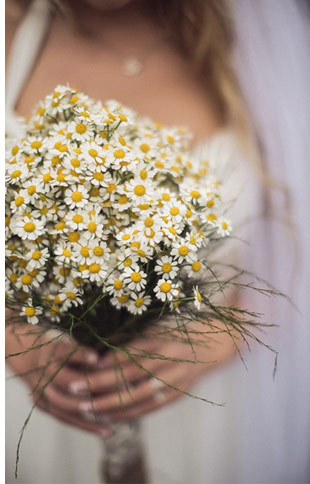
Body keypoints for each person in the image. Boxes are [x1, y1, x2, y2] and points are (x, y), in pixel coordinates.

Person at [5, 1, 310, 483]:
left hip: (212, 414)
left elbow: (297, 241)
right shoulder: (11, 31)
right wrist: (13, 333)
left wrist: (224, 335)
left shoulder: (259, 44)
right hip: (36, 419)